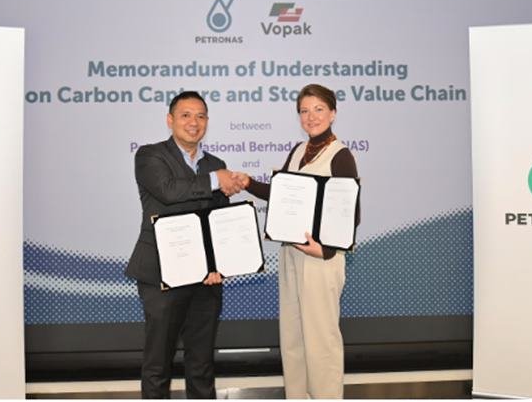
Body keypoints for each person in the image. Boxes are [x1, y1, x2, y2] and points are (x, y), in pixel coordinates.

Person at [235, 83, 359, 399]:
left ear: (333, 113)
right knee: (293, 339)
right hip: (291, 254)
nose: (310, 117)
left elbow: (351, 214)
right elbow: (282, 195)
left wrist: (325, 250)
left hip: (320, 260)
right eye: (304, 111)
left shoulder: (340, 155)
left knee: (321, 341)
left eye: (318, 109)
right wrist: (249, 183)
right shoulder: (299, 150)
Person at [125, 91, 243, 399]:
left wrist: (218, 265)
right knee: (158, 365)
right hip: (162, 276)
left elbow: (217, 219)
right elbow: (168, 191)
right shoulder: (150, 155)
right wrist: (216, 180)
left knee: (201, 365)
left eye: (201, 116)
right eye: (186, 115)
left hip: (205, 280)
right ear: (170, 120)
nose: (194, 122)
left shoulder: (215, 164)